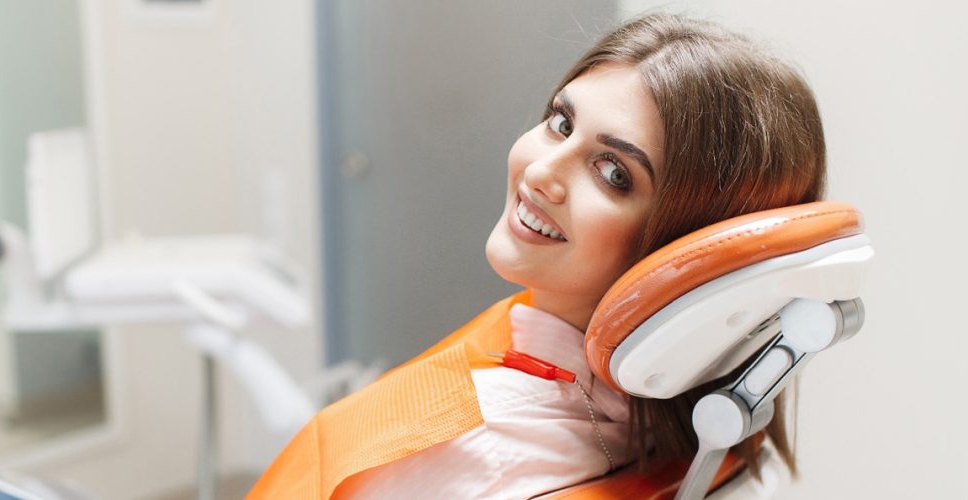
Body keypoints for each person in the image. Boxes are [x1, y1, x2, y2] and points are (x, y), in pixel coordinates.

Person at [249, 12, 827, 499]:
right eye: (561, 122)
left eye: (613, 173)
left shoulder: (469, 458)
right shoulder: (725, 426)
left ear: (692, 244)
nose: (542, 171)